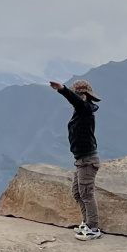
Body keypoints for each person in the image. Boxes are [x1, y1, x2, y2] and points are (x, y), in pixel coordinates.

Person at [50, 78, 101, 237]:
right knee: (77, 193)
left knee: (86, 193)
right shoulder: (81, 111)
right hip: (80, 161)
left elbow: (77, 102)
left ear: (83, 96)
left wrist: (62, 89)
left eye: (77, 96)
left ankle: (93, 227)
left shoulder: (85, 110)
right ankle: (86, 222)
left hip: (87, 161)